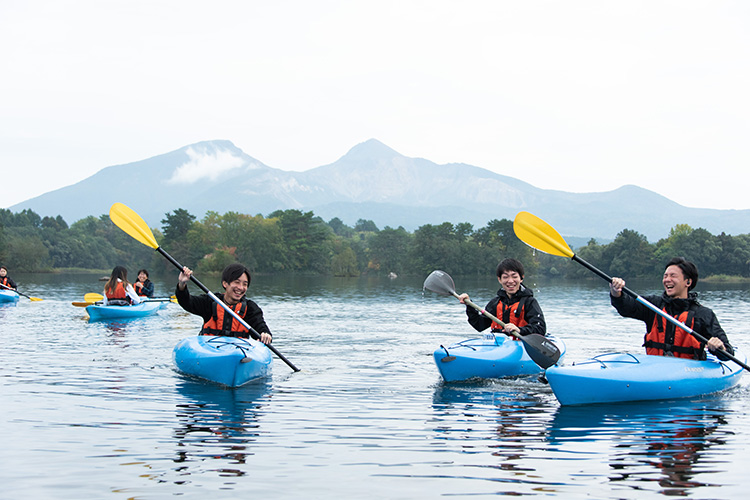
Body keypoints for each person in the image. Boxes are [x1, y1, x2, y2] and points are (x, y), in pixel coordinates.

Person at [610, 257, 733, 360]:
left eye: (673, 276)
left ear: (688, 282)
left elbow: (728, 353)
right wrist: (616, 292)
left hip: (689, 373)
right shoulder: (653, 305)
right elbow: (626, 307)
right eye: (665, 276)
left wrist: (719, 347)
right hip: (655, 368)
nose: (667, 279)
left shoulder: (703, 314)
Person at [175, 263, 273, 345]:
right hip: (210, 349)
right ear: (225, 283)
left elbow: (260, 327)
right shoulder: (211, 301)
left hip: (238, 352)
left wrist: (265, 335)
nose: (240, 287)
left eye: (245, 284)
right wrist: (182, 284)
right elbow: (187, 302)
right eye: (237, 282)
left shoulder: (250, 308)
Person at [457, 258, 546, 338]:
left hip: (520, 345)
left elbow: (540, 329)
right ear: (499, 279)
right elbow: (479, 325)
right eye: (505, 277)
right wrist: (469, 305)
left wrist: (519, 330)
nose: (510, 281)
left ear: (521, 278)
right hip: (499, 346)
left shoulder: (529, 302)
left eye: (514, 276)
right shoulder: (495, 303)